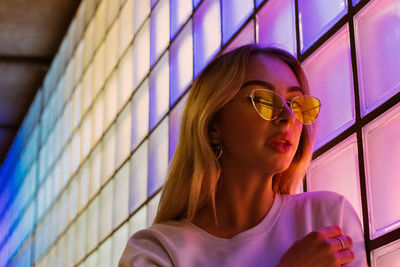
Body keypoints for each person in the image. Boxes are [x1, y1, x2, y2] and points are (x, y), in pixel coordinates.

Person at [119, 44, 368, 266]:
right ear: (213, 125)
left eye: (296, 103)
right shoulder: (157, 250)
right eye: (264, 100)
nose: (287, 117)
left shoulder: (327, 219)